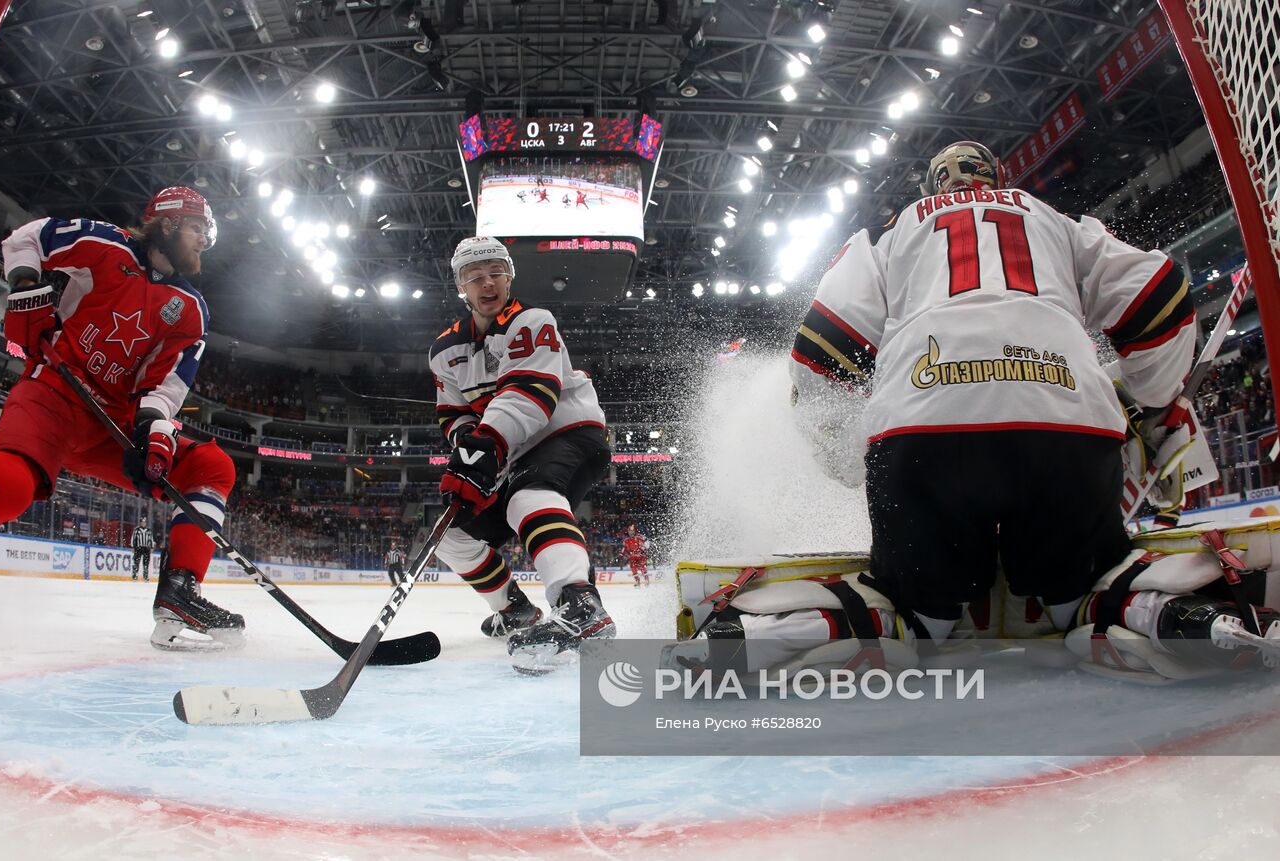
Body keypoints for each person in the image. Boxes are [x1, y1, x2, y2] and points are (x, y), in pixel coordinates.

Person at [715, 139, 1280, 678]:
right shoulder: (1054, 221)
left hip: (923, 432)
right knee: (1083, 596)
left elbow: (819, 354)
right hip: (1065, 423)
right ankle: (1189, 619)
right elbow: (1161, 294)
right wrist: (1153, 401)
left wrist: (843, 460)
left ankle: (755, 638)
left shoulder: (892, 235)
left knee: (914, 613)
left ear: (930, 187)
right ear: (1000, 181)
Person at [0, 186, 244, 653]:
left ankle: (178, 592)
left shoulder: (192, 311)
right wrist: (25, 288)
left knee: (212, 467)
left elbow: (166, 386)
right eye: (198, 227)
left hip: (110, 424)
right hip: (53, 392)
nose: (204, 240)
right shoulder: (106, 244)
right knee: (7, 484)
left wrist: (153, 432)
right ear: (170, 223)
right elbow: (26, 239)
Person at [429, 236, 615, 672]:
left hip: (568, 430)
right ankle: (515, 610)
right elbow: (453, 414)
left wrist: (485, 449)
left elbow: (531, 392)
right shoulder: (443, 351)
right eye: (475, 276)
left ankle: (580, 604)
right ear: (461, 286)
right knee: (450, 534)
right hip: (509, 451)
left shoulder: (531, 319)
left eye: (496, 272)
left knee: (528, 495)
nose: (487, 282)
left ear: (510, 277)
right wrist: (468, 457)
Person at [130, 517, 154, 582]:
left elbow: (151, 539)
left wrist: (152, 547)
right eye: (142, 522)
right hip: (138, 548)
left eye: (145, 522)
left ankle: (145, 577)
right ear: (140, 523)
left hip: (146, 548)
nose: (143, 523)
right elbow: (133, 538)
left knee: (146, 564)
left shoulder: (149, 530)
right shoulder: (136, 530)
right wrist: (132, 547)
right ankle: (134, 577)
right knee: (136, 562)